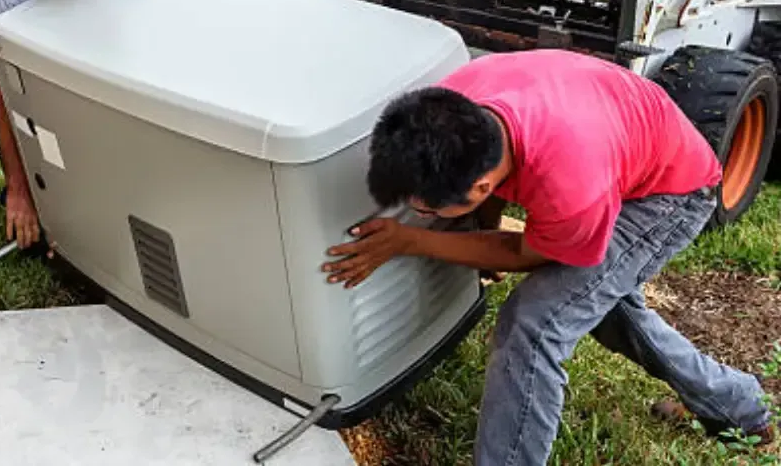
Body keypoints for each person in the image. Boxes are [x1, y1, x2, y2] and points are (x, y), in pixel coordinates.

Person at [321, 48, 774, 465]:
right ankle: (738, 405)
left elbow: (527, 253)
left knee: (536, 323)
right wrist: (479, 229)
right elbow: (492, 202)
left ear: (479, 188)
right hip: (622, 139)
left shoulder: (570, 185)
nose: (421, 213)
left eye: (427, 207)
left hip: (671, 193)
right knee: (603, 307)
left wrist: (411, 240)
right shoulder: (451, 107)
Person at [0, 0, 175, 250]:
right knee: (43, 93)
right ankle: (38, 192)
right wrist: (18, 190)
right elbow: (8, 88)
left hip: (109, 1)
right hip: (31, 2)